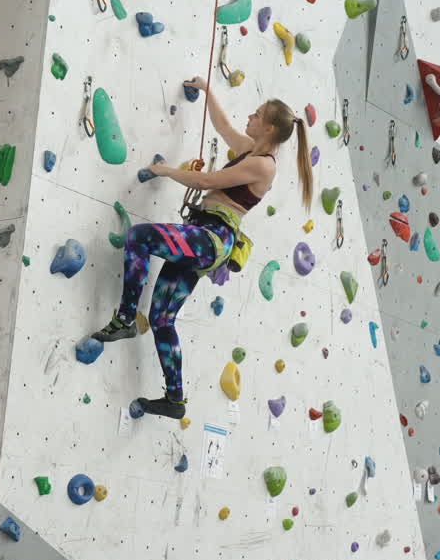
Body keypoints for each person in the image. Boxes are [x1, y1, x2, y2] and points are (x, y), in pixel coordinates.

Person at [91, 77, 313, 419]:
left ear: (268, 128)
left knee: (139, 237)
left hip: (212, 237)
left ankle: (124, 318)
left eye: (256, 115)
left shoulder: (263, 164)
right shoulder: (252, 151)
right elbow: (223, 126)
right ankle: (175, 399)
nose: (249, 117)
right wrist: (208, 91)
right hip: (203, 236)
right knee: (162, 318)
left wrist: (164, 171)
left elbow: (207, 182)